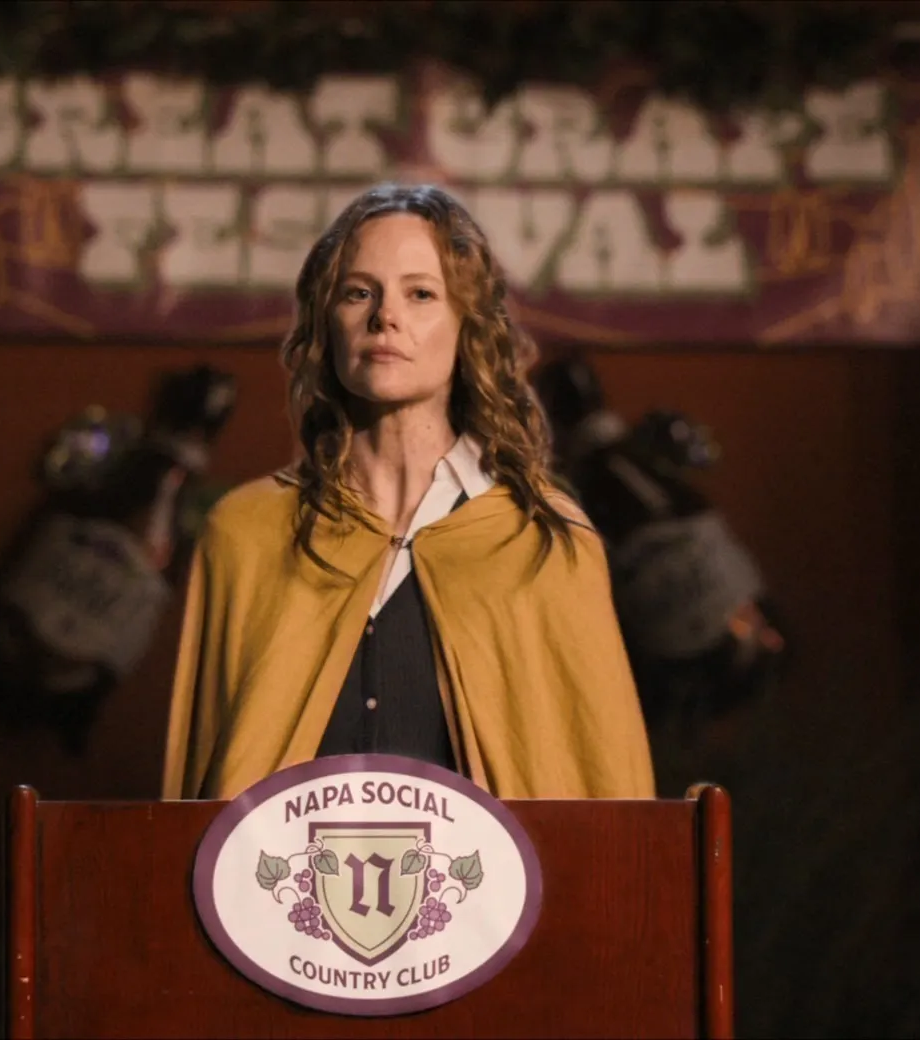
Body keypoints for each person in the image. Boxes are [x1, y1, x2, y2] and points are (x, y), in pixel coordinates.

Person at [161, 184, 656, 801]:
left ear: (467, 323)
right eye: (358, 292)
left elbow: (601, 792)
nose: (384, 317)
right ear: (326, 322)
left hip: (495, 871)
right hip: (281, 868)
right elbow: (202, 797)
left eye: (420, 293)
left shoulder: (544, 540)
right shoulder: (246, 533)